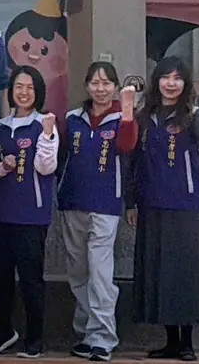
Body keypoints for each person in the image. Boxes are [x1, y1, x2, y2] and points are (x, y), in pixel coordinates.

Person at [130, 57, 199, 362]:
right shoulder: (146, 116)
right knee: (159, 273)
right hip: (151, 203)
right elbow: (134, 160)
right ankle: (170, 340)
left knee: (184, 273)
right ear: (156, 81)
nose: (171, 84)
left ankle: (187, 343)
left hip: (183, 205)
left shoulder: (191, 114)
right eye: (165, 77)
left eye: (177, 78)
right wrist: (131, 201)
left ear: (185, 84)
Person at [57, 62, 138, 363]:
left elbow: (128, 146)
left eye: (106, 83)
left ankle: (103, 338)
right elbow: (60, 155)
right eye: (95, 83)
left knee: (101, 273)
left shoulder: (122, 118)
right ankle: (87, 333)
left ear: (115, 87)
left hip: (105, 206)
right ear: (87, 86)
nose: (100, 89)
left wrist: (127, 111)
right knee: (78, 272)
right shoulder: (72, 118)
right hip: (72, 203)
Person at [0, 66, 60, 359]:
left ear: (38, 92)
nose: (23, 92)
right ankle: (3, 331)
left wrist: (48, 136)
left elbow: (46, 167)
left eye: (29, 87)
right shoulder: (0, 127)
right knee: (1, 278)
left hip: (31, 215)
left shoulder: (44, 123)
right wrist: (2, 167)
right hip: (1, 213)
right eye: (18, 86)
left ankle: (35, 338)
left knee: (30, 280)